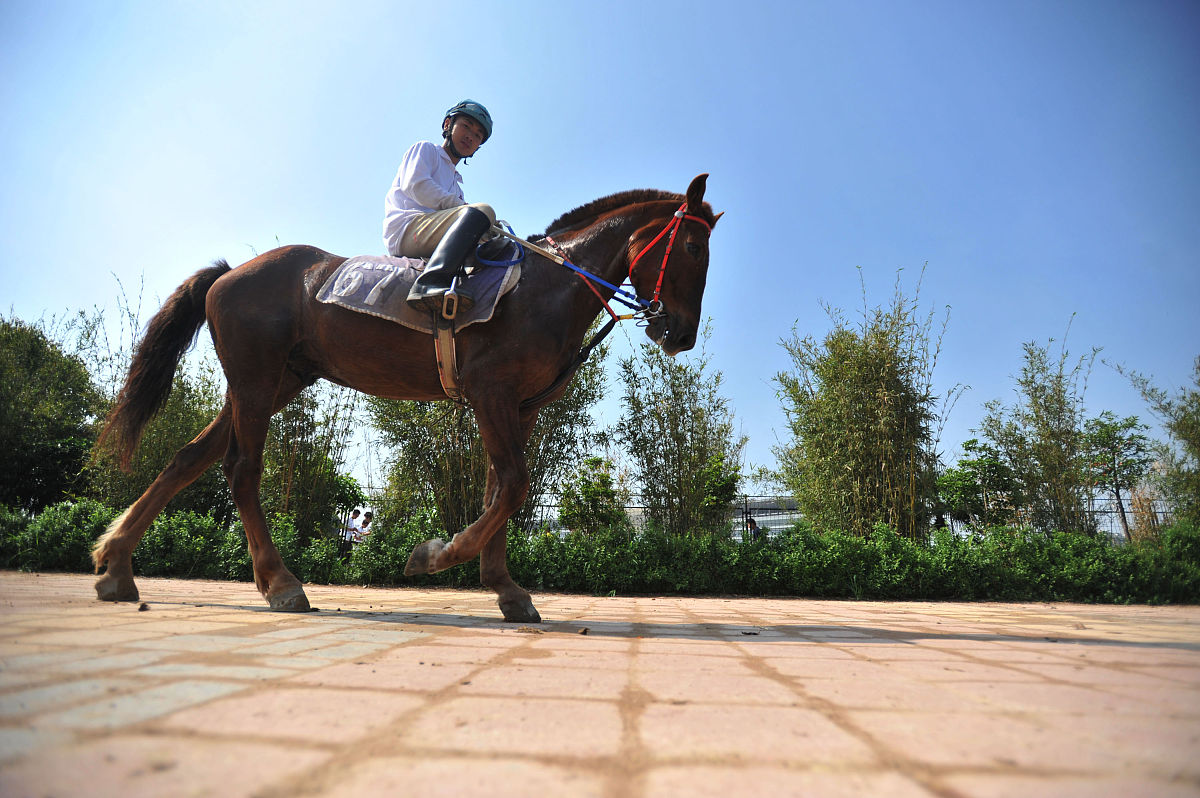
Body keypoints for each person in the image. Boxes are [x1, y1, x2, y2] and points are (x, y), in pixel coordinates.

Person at [383, 99, 498, 314]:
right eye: (466, 126)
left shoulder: (457, 187)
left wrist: (488, 230)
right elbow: (416, 185)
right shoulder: (426, 149)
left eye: (477, 135)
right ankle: (429, 284)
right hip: (408, 230)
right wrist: (471, 211)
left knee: (497, 244)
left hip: (432, 236)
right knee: (483, 212)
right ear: (447, 124)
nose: (470, 136)